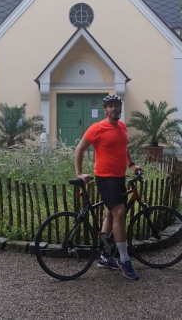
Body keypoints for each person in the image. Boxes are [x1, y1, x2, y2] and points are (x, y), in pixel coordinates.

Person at [74, 94, 142, 280]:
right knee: (119, 213)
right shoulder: (97, 128)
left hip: (119, 177)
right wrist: (80, 173)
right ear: (105, 109)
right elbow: (80, 149)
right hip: (105, 178)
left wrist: (131, 165)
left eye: (116, 106)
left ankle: (104, 256)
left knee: (110, 215)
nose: (113, 109)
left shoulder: (121, 126)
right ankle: (124, 259)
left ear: (120, 108)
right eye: (110, 106)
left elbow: (123, 147)